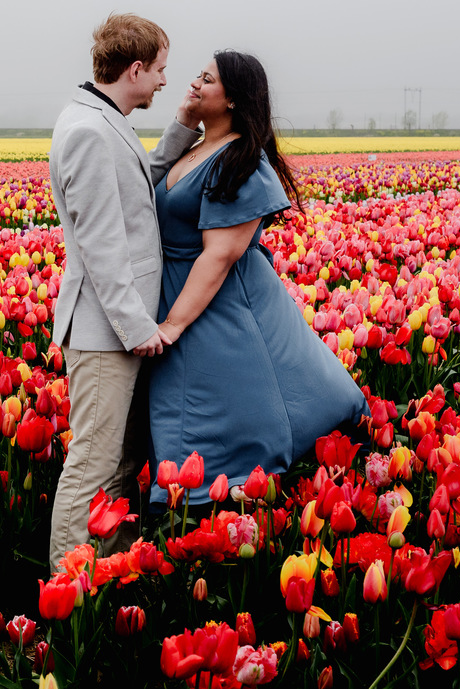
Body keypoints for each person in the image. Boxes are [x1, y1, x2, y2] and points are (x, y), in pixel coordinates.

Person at [148, 50, 370, 505]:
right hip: (177, 290)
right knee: (195, 395)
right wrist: (183, 121)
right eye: (198, 75)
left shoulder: (241, 163)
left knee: (231, 395)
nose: (194, 83)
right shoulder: (197, 148)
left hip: (217, 299)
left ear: (233, 99)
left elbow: (220, 255)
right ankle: (190, 487)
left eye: (207, 79)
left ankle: (220, 492)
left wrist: (173, 323)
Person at [47, 14, 201, 571]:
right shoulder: (89, 131)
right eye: (159, 69)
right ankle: (68, 591)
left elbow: (137, 182)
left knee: (117, 465)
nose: (164, 80)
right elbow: (102, 246)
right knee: (92, 464)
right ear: (135, 69)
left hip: (115, 329)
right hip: (105, 332)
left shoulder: (101, 118)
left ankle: (104, 574)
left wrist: (182, 127)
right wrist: (137, 329)